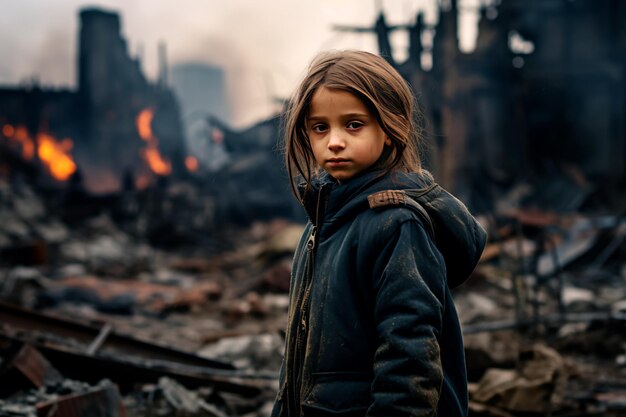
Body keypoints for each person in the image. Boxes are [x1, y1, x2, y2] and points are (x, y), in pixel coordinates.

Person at [272, 50, 487, 417]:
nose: (334, 141)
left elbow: (410, 357)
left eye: (353, 124)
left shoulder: (397, 225)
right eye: (319, 127)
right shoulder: (323, 221)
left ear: (392, 129)